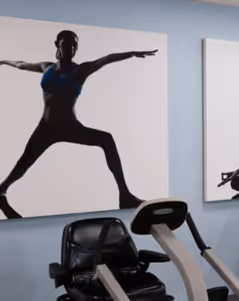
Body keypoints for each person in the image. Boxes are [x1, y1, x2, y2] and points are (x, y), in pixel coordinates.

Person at [0, 30, 155, 219]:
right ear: (57, 44)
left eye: (74, 44)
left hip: (70, 127)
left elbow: (106, 59)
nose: (70, 47)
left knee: (106, 139)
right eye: (65, 43)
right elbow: (21, 65)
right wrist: (3, 61)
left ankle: (125, 195)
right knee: (24, 162)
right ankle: (1, 191)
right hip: (46, 128)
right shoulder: (47, 67)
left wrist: (131, 53)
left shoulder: (80, 70)